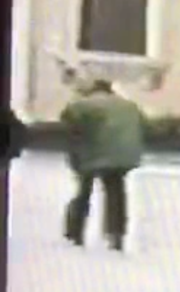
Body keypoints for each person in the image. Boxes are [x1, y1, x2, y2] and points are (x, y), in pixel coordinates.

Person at [59, 79, 147, 251]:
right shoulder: (129, 105)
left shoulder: (84, 104)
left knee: (84, 191)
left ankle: (75, 232)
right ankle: (116, 234)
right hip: (123, 155)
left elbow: (68, 119)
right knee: (116, 193)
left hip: (93, 154)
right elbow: (147, 127)